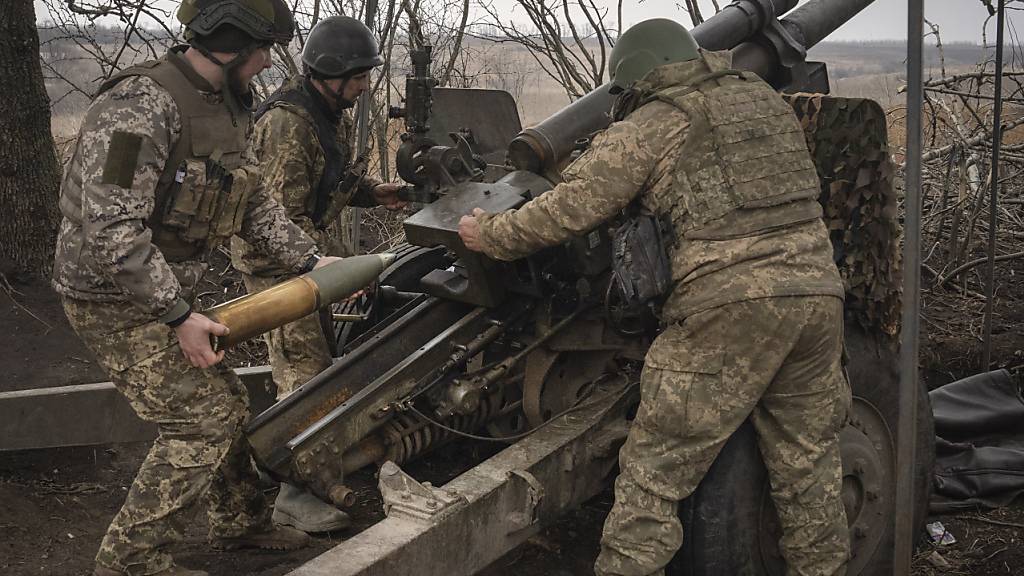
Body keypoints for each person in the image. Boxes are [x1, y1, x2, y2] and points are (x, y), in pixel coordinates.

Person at [458, 18, 851, 576]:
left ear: (640, 76)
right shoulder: (764, 100)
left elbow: (571, 207)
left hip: (726, 311)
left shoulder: (657, 122)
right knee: (809, 468)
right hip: (816, 297)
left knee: (653, 477)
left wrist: (488, 235)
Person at [51, 1, 356, 574]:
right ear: (230, 42)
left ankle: (239, 522)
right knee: (201, 421)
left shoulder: (227, 106)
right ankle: (131, 563)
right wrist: (177, 316)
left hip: (167, 292)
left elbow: (255, 202)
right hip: (110, 298)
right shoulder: (138, 108)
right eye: (263, 48)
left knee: (229, 400)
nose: (268, 62)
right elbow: (112, 229)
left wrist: (313, 261)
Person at [229, 15, 404, 533]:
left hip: (306, 263)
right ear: (330, 73)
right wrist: (345, 268)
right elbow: (279, 219)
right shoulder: (289, 123)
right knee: (305, 381)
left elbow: (326, 182)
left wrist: (374, 192)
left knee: (321, 367)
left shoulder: (330, 112)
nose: (366, 84)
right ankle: (296, 496)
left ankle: (293, 473)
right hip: (277, 269)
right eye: (359, 76)